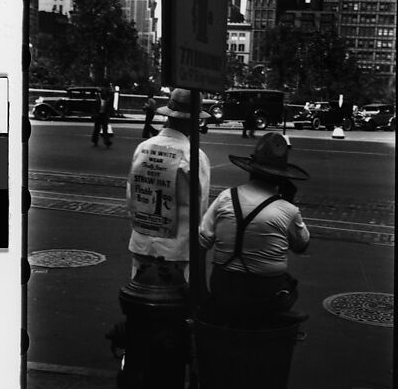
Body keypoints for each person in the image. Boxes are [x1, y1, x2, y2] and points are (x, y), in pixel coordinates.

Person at [199, 132, 310, 326]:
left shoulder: (226, 197)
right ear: (282, 179)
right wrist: (287, 200)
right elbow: (301, 245)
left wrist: (201, 289)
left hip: (223, 286)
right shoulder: (288, 210)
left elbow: (202, 241)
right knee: (291, 288)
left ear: (251, 170)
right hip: (265, 293)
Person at [127, 87, 211, 283]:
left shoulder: (144, 148)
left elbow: (131, 196)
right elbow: (201, 209)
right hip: (177, 251)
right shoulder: (194, 155)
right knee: (173, 304)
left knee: (140, 298)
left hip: (142, 243)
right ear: (193, 121)